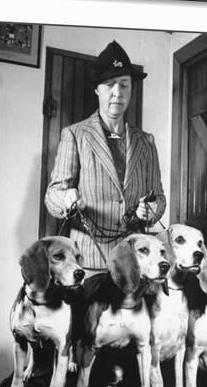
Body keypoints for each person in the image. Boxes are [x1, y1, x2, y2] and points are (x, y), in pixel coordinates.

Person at [45, 40, 166, 272]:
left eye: (124, 85)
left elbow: (159, 198)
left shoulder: (146, 142)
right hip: (87, 258)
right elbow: (53, 195)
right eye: (109, 84)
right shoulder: (75, 134)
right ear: (97, 89)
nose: (117, 93)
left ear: (131, 89)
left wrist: (151, 210)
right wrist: (67, 199)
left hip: (135, 261)